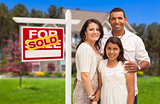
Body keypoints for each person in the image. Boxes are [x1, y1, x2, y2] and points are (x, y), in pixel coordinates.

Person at [101, 8, 150, 104]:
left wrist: (138, 67)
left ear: (125, 20)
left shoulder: (135, 39)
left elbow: (146, 60)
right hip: (107, 93)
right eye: (113, 19)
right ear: (109, 21)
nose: (117, 21)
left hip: (129, 93)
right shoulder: (103, 39)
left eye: (120, 18)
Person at [73, 19, 104, 104]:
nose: (95, 32)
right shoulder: (84, 48)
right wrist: (92, 98)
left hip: (95, 93)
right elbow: (85, 75)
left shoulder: (96, 48)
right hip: (85, 94)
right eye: (91, 29)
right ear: (85, 32)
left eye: (97, 30)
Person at [98, 37, 135, 104]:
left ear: (120, 50)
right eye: (109, 48)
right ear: (105, 49)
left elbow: (131, 92)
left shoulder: (126, 65)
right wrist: (93, 100)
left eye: (115, 49)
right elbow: (100, 88)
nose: (111, 52)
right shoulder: (101, 64)